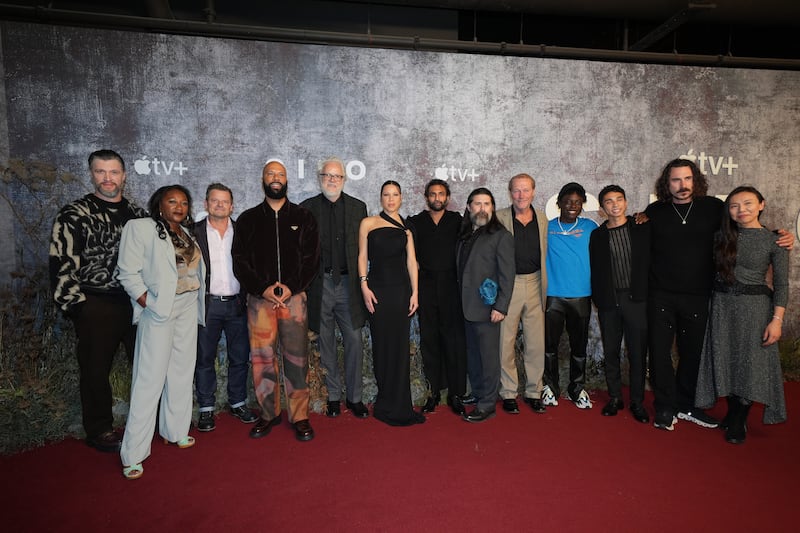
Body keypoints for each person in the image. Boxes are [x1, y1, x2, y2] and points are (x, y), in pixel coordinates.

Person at [645, 159, 794, 431]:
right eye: (676, 180)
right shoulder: (654, 211)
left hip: (700, 296)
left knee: (693, 355)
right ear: (667, 184)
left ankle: (687, 404)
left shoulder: (713, 207)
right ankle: (665, 407)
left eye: (687, 179)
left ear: (696, 180)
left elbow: (744, 228)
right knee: (659, 354)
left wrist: (778, 236)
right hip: (661, 295)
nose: (682, 185)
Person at [49, 149, 147, 453]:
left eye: (114, 172)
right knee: (95, 369)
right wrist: (77, 306)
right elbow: (61, 260)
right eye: (101, 172)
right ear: (92, 174)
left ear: (124, 175)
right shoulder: (74, 213)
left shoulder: (138, 214)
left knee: (146, 367)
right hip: (96, 302)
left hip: (136, 302)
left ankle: (144, 423)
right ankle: (100, 429)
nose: (108, 178)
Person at [116, 184, 206, 480]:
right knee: (148, 380)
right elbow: (127, 273)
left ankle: (175, 431)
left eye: (183, 202)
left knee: (181, 373)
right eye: (172, 201)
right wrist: (149, 303)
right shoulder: (140, 228)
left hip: (188, 306)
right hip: (159, 311)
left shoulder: (186, 233)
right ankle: (133, 453)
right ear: (159, 205)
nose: (179, 207)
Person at [232, 158, 320, 441]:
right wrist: (263, 288)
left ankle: (300, 416)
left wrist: (290, 288)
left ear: (286, 180)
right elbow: (240, 261)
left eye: (279, 174)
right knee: (262, 359)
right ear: (262, 179)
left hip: (294, 301)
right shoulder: (248, 219)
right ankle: (268, 413)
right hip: (260, 302)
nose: (275, 178)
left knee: (296, 359)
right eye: (270, 173)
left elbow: (312, 259)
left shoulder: (304, 217)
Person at [695, 186, 788, 444]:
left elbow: (782, 285)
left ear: (762, 204)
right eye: (734, 206)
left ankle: (738, 419)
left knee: (749, 362)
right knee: (725, 358)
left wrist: (777, 320)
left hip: (755, 309)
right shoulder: (721, 236)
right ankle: (733, 410)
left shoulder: (775, 241)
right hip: (722, 306)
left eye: (748, 203)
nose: (741, 210)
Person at [300, 157, 369, 419]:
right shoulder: (307, 209)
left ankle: (355, 398)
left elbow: (363, 250)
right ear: (320, 178)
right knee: (325, 342)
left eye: (337, 176)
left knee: (354, 340)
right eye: (327, 175)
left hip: (349, 283)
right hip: (321, 284)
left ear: (344, 179)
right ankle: (333, 397)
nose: (332, 180)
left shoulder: (358, 208)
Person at [358, 180, 424, 426]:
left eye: (395, 194)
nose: (390, 198)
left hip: (400, 293)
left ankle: (401, 406)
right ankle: (385, 403)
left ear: (401, 197)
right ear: (381, 197)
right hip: (376, 292)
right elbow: (362, 256)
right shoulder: (368, 223)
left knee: (399, 349)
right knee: (381, 347)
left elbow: (411, 263)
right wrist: (363, 286)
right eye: (386, 194)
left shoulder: (406, 228)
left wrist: (415, 293)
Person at [193, 183, 258, 432]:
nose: (219, 205)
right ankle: (206, 408)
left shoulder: (242, 232)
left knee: (239, 358)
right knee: (204, 358)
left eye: (224, 201)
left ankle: (237, 402)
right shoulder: (194, 232)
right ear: (206, 203)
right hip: (208, 304)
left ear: (232, 206)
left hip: (237, 304)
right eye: (214, 200)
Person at [589, 185, 650, 423]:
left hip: (636, 300)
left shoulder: (641, 227)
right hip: (609, 301)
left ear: (625, 202)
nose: (614, 205)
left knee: (637, 353)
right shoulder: (598, 235)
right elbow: (595, 269)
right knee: (611, 351)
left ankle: (637, 402)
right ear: (602, 209)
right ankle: (615, 397)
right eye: (608, 202)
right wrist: (600, 298)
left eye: (619, 200)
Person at [408, 179, 469, 416]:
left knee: (453, 341)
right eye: (432, 194)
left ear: (447, 197)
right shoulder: (415, 222)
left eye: (441, 194)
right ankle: (433, 392)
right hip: (425, 286)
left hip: (451, 287)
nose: (436, 198)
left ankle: (455, 393)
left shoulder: (457, 221)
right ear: (426, 197)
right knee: (430, 340)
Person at [457, 187, 515, 423]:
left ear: (493, 208)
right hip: (466, 307)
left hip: (488, 308)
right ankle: (479, 392)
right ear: (469, 207)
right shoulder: (466, 234)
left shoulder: (501, 236)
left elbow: (507, 275)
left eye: (487, 204)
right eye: (477, 204)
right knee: (473, 355)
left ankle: (488, 403)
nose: (482, 209)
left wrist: (500, 307)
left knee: (489, 357)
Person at [495, 174, 549, 415]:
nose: (521, 195)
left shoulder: (543, 219)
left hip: (537, 282)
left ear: (534, 192)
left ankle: (534, 391)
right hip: (510, 285)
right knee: (504, 341)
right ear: (510, 193)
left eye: (525, 190)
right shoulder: (499, 218)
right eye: (516, 190)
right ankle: (508, 392)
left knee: (536, 342)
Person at [543, 182, 598, 410]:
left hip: (581, 297)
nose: (572, 206)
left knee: (579, 348)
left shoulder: (590, 227)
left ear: (582, 204)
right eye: (567, 201)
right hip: (553, 296)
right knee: (549, 347)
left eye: (577, 202)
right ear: (559, 204)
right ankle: (549, 387)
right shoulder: (547, 227)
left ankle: (577, 389)